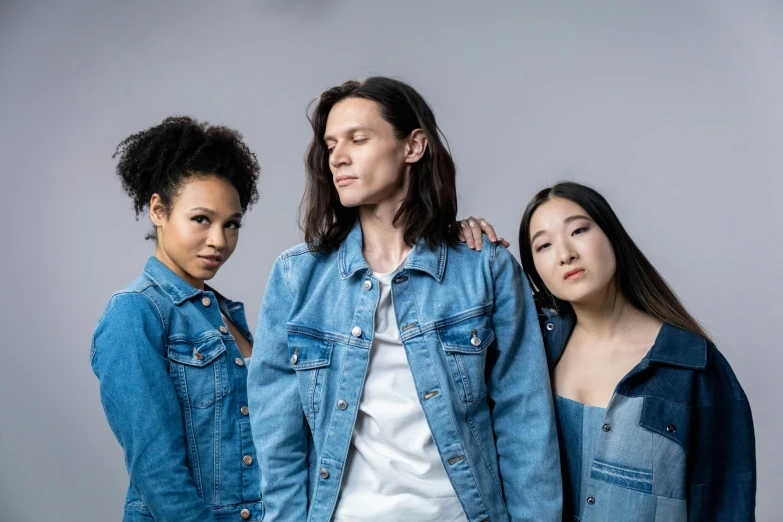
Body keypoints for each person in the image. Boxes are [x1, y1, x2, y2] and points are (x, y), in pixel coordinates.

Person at [247, 77, 562, 522]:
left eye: (358, 139)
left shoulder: (484, 268)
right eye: (331, 143)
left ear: (413, 146)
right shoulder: (297, 276)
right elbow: (276, 436)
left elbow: (526, 421)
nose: (338, 156)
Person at [482, 180, 754, 521]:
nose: (565, 254)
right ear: (534, 269)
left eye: (578, 230)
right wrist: (460, 238)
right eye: (544, 246)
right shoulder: (528, 350)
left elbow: (726, 506)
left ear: (612, 235)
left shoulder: (690, 363)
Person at [90, 116, 264, 521]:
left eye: (231, 224)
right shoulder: (134, 312)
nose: (219, 240)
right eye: (201, 219)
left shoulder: (226, 316)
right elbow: (158, 473)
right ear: (158, 210)